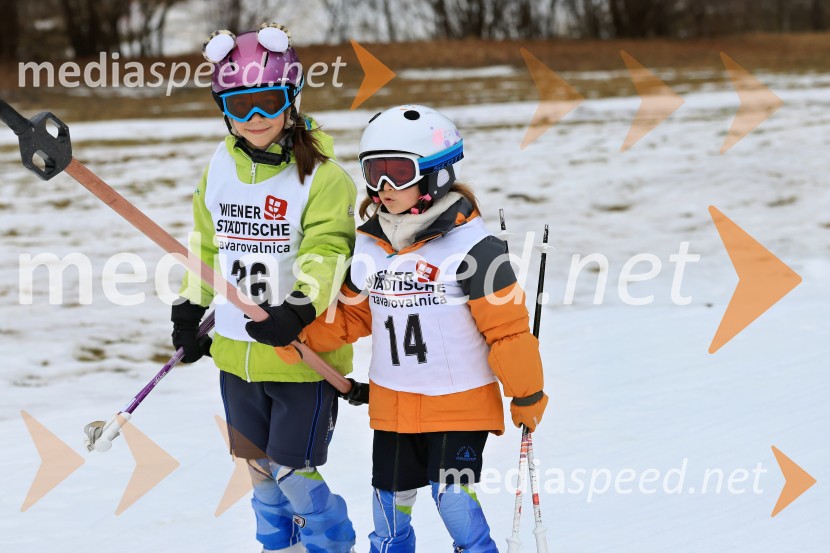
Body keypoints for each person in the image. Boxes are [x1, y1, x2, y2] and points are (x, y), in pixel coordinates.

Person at [287, 104, 549, 552]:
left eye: (397, 173)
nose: (382, 187)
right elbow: (354, 317)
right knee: (387, 510)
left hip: (460, 401)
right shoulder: (370, 247)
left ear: (436, 175)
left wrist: (526, 393)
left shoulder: (475, 249)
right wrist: (296, 336)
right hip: (394, 404)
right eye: (374, 172)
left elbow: (507, 331)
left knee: (452, 501)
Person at [170, 24, 358, 553]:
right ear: (223, 107)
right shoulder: (219, 166)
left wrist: (297, 308)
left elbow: (328, 251)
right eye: (240, 105)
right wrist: (190, 307)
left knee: (292, 471)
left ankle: (330, 544)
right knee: (255, 467)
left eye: (267, 103)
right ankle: (279, 546)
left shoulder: (323, 176)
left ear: (291, 99)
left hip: (300, 352)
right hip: (236, 352)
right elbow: (206, 244)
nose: (255, 119)